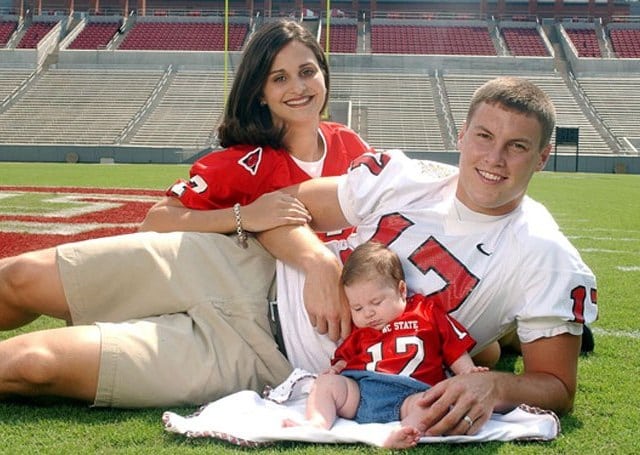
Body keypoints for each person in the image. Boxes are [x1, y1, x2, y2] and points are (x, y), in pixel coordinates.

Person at [0, 19, 372, 408]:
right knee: (21, 276)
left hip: (264, 348)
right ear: (260, 92)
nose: (297, 87)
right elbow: (157, 220)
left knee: (35, 365)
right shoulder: (244, 161)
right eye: (279, 78)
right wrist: (244, 216)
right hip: (221, 269)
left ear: (324, 76)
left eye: (307, 72)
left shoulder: (353, 149)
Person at [258, 76, 598, 436]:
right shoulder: (410, 177)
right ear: (462, 135)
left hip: (279, 363)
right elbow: (278, 207)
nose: (495, 159)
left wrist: (496, 386)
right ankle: (497, 344)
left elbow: (558, 386)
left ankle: (498, 344)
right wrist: (317, 261)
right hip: (260, 275)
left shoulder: (547, 255)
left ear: (542, 157)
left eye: (517, 146)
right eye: (484, 136)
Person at [286, 241, 487, 448]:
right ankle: (317, 423)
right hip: (362, 393)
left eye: (376, 302)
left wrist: (468, 372)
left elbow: (453, 348)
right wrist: (336, 369)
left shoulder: (425, 312)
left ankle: (404, 432)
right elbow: (344, 358)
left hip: (412, 393)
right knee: (325, 383)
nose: (368, 313)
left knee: (435, 404)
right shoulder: (361, 331)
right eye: (357, 307)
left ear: (401, 290)